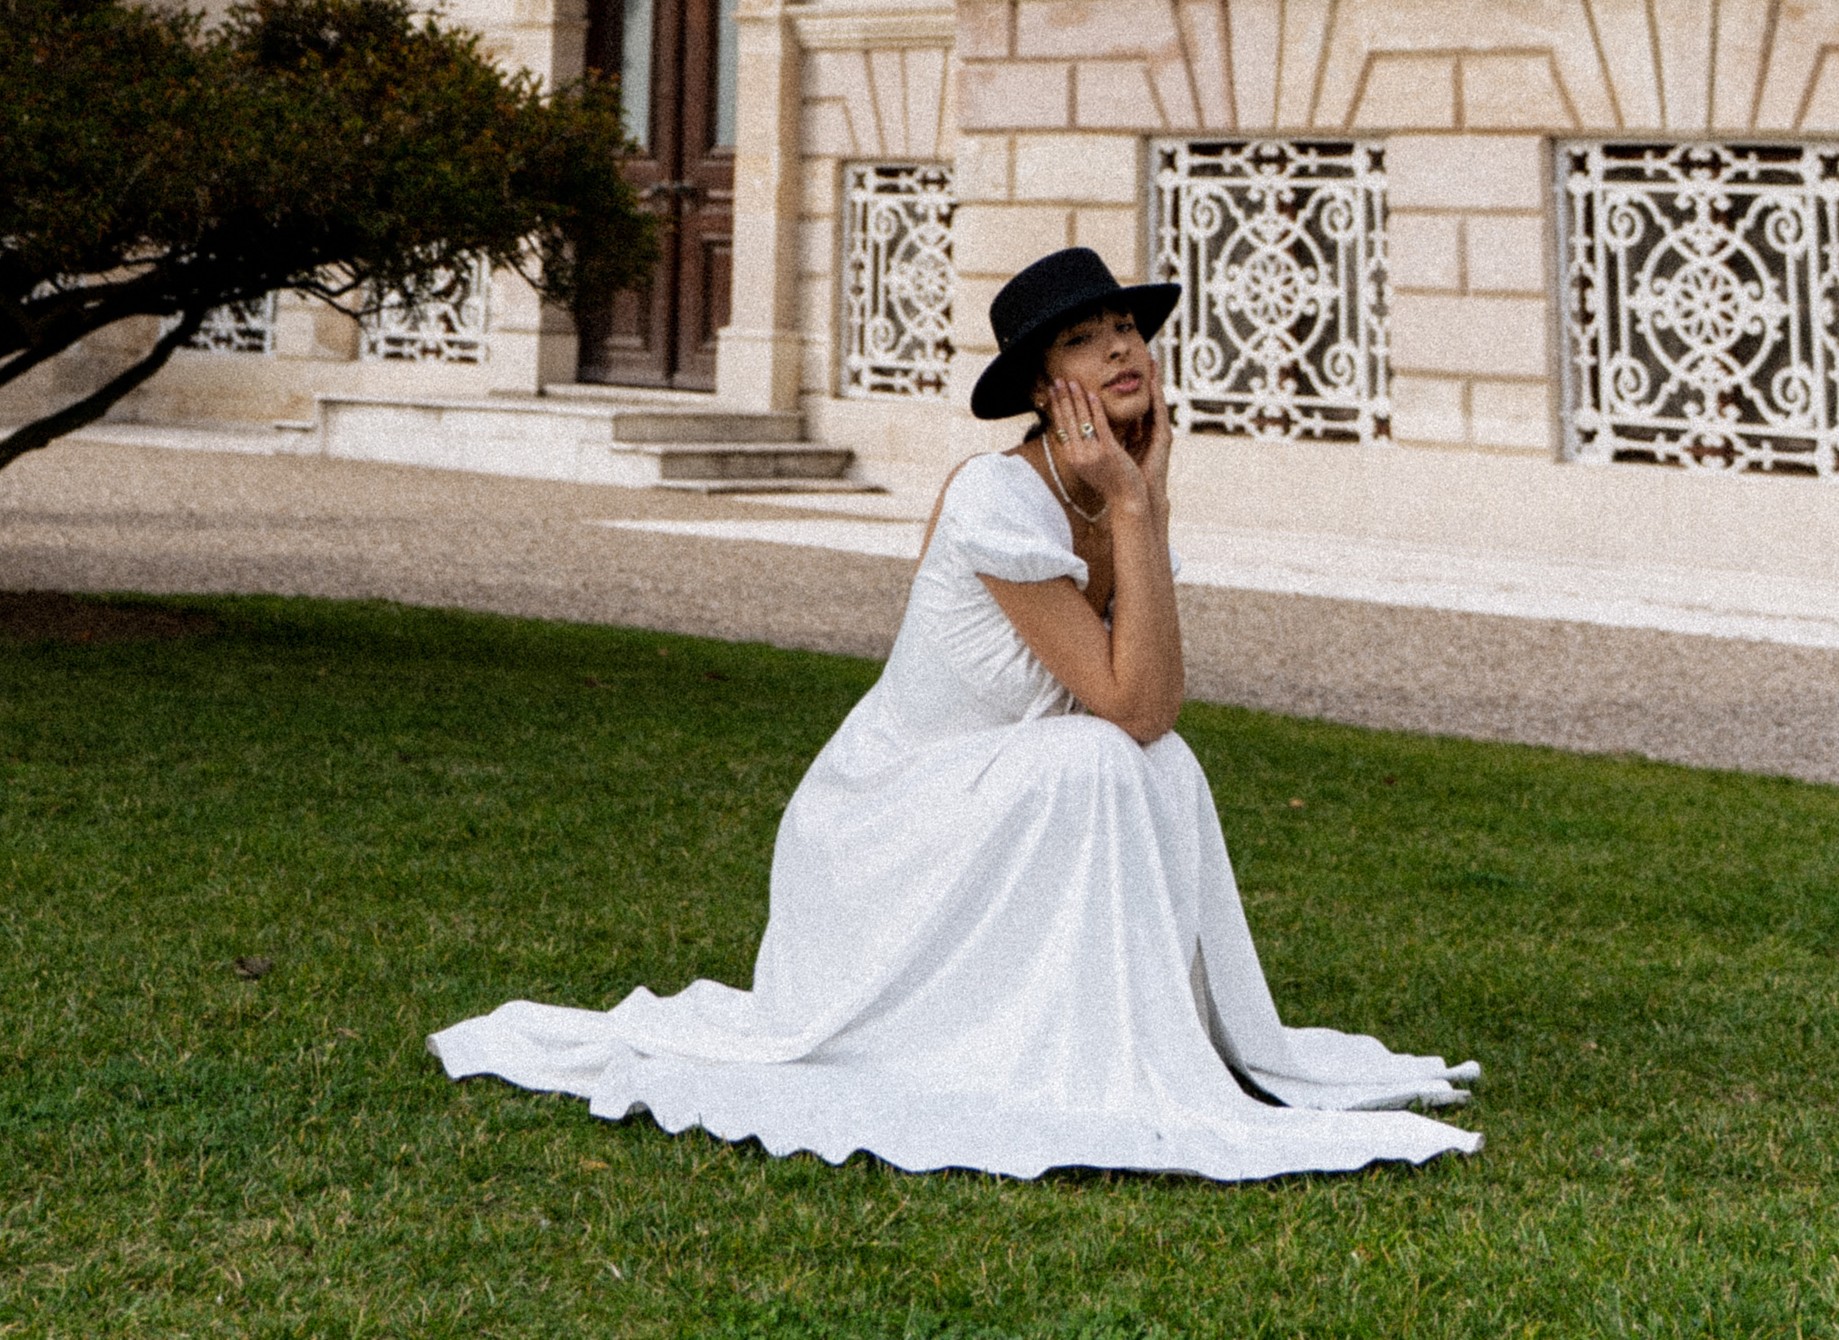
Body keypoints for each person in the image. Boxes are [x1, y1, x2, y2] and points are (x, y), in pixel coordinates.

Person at [431, 246, 1481, 1182]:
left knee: (1163, 767)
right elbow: (1132, 701)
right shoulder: (997, 498)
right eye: (1083, 338)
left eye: (1124, 325)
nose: (1121, 347)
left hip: (993, 798)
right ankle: (1045, 1049)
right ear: (1041, 383)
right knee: (1100, 759)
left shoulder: (1112, 491)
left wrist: (1141, 506)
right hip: (884, 827)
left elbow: (1156, 716)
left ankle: (1132, 1031)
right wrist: (1130, 501)